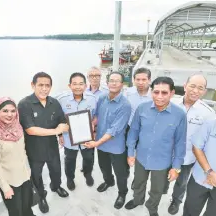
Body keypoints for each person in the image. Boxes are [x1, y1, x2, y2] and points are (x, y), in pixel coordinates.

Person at [125, 77, 187, 216]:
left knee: (157, 189)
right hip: (141, 157)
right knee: (138, 182)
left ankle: (152, 207)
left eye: (164, 93)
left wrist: (176, 168)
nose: (159, 96)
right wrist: (130, 153)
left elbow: (180, 142)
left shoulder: (179, 115)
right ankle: (137, 200)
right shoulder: (142, 108)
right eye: (156, 92)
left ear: (172, 93)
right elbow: (133, 131)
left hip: (162, 162)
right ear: (152, 92)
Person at [18, 72, 69, 214]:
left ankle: (56, 186)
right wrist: (56, 131)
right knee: (37, 175)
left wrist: (60, 133)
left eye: (47, 85)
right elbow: (30, 130)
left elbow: (61, 120)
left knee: (56, 169)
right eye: (41, 85)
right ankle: (41, 196)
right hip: (34, 149)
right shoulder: (24, 104)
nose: (44, 89)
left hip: (52, 147)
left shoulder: (54, 102)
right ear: (33, 85)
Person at [167, 74, 216, 215]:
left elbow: (209, 138)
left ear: (204, 91)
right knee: (161, 177)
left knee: (181, 182)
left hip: (187, 156)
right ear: (185, 86)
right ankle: (161, 192)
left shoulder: (208, 113)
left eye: (200, 88)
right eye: (192, 86)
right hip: (165, 151)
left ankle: (176, 201)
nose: (195, 91)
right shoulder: (171, 103)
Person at [84, 72, 131, 210]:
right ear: (107, 83)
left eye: (117, 81)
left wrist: (96, 143)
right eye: (111, 80)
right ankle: (108, 182)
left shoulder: (125, 105)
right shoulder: (103, 98)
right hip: (101, 145)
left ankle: (122, 193)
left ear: (122, 85)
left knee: (120, 173)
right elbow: (97, 116)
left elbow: (114, 130)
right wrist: (91, 126)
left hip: (116, 147)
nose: (114, 83)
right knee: (104, 167)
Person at [0, 97, 35, 216]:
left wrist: (28, 172)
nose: (10, 114)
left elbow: (22, 151)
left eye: (13, 111)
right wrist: (5, 187)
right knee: (16, 212)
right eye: (5, 111)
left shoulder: (17, 127)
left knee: (28, 207)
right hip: (10, 182)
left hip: (25, 176)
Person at [56, 73, 97, 190]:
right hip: (69, 138)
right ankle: (70, 178)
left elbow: (95, 116)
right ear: (69, 85)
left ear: (85, 85)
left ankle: (88, 174)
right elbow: (58, 118)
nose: (78, 87)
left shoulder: (92, 99)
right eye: (74, 84)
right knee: (69, 160)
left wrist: (94, 128)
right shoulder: (61, 100)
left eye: (80, 84)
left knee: (89, 158)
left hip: (87, 137)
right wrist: (60, 135)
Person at [124, 67, 152, 184]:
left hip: (146, 130)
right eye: (138, 79)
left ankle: (138, 180)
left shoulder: (155, 95)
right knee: (126, 153)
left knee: (141, 158)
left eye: (144, 79)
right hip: (129, 128)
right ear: (134, 80)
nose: (140, 82)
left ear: (149, 80)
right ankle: (125, 175)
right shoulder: (128, 93)